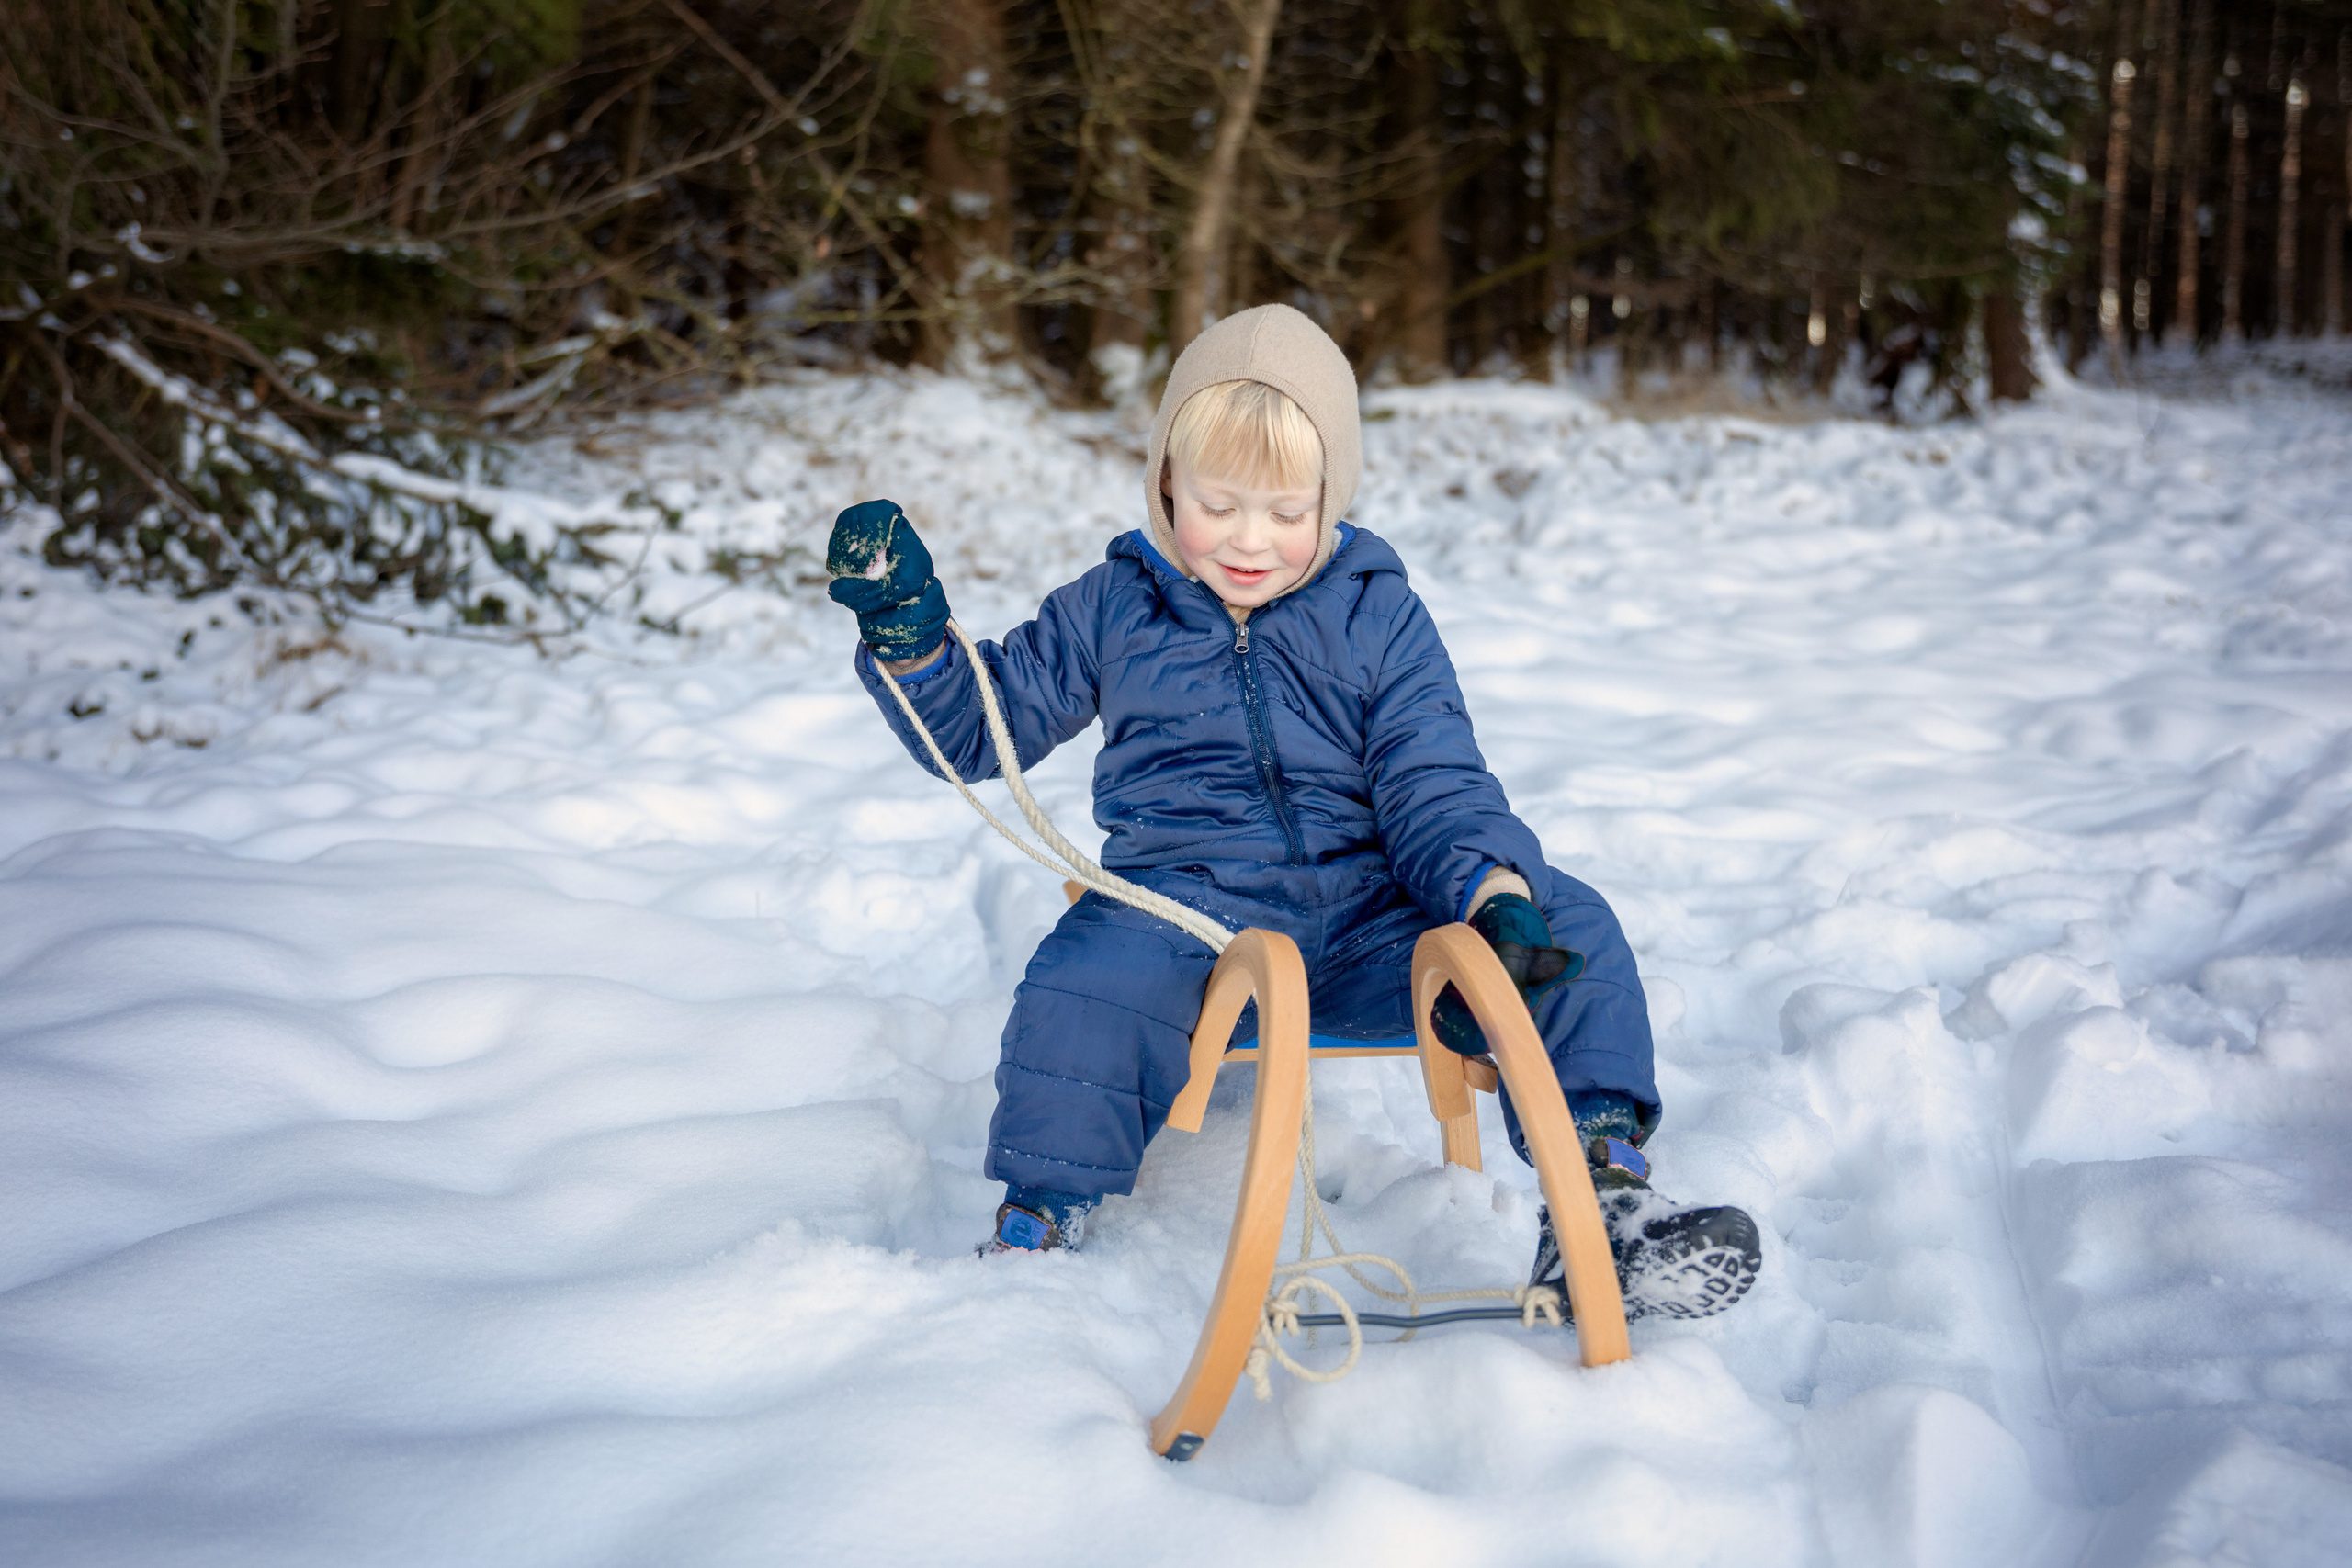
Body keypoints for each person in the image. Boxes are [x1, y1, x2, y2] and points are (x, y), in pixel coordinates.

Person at [828, 304, 1758, 1318]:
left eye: (1284, 511)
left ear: (1332, 498)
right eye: (1218, 505)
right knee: (1086, 976)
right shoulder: (1111, 606)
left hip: (1376, 912)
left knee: (1569, 920)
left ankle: (1604, 1198)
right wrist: (913, 642)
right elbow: (982, 733)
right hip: (1189, 910)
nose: (1249, 542)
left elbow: (1430, 776)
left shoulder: (1376, 612)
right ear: (1167, 485)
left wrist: (1488, 894)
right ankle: (1039, 1222)